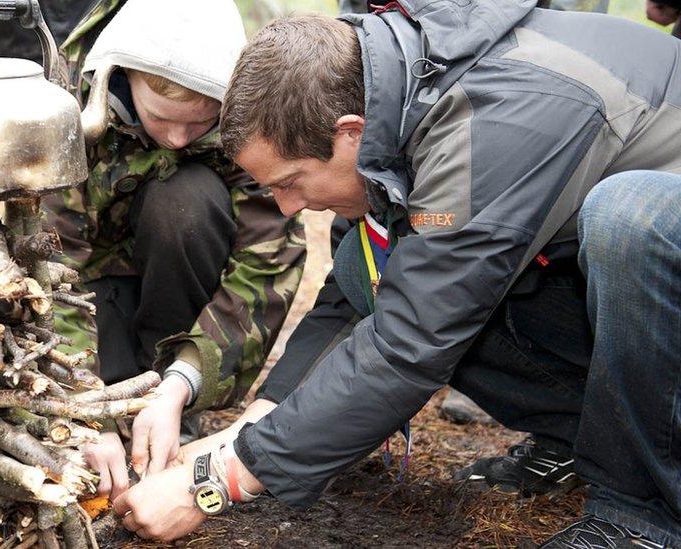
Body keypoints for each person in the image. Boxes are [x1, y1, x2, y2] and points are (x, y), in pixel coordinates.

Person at [112, 3, 681, 547]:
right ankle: (577, 439)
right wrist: (241, 436)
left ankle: (642, 514)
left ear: (350, 133)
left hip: (657, 234)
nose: (286, 209)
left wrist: (215, 485)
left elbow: (412, 342)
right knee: (372, 274)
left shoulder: (491, 120)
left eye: (290, 181)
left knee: (631, 218)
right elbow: (352, 303)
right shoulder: (400, 110)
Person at [39, 0, 306, 498]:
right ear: (122, 78)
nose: (179, 139)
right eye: (162, 118)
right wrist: (81, 402)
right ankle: (117, 410)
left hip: (180, 298)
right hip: (92, 300)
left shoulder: (246, 123)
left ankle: (166, 407)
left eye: (201, 121)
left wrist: (182, 380)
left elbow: (265, 265)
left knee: (186, 199)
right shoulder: (64, 116)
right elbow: (50, 265)